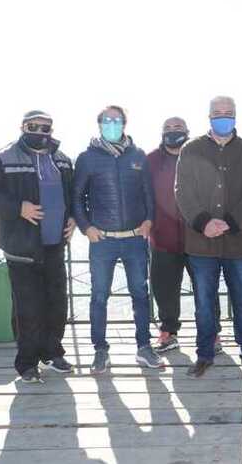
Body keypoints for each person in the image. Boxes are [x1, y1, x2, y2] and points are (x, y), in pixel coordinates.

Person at [0, 110, 77, 383]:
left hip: (55, 245)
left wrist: (74, 219)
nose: (41, 132)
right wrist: (18, 208)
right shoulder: (2, 159)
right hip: (22, 249)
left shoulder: (63, 160)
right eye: (35, 126)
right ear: (23, 127)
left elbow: (73, 196)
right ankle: (27, 362)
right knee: (27, 309)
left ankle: (52, 352)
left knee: (57, 304)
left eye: (46, 128)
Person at [175, 96, 242, 378]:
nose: (223, 117)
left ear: (236, 116)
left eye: (228, 113)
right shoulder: (191, 149)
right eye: (217, 113)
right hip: (201, 243)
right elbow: (182, 191)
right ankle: (204, 355)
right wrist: (204, 222)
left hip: (239, 242)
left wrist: (229, 222)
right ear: (209, 117)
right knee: (204, 302)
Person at [73, 105, 162, 373]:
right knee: (99, 296)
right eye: (107, 120)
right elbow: (77, 198)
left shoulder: (138, 156)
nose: (112, 124)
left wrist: (149, 220)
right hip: (102, 241)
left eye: (117, 120)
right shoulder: (87, 158)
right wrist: (85, 227)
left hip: (135, 239)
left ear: (125, 123)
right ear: (99, 123)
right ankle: (100, 351)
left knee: (140, 294)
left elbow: (149, 194)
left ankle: (144, 348)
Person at [147, 117, 194, 353]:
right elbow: (142, 194)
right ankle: (168, 332)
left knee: (205, 287)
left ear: (187, 131)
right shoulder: (151, 160)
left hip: (199, 238)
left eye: (177, 128)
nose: (172, 131)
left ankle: (212, 332)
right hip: (162, 238)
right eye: (167, 128)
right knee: (163, 288)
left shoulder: (199, 155)